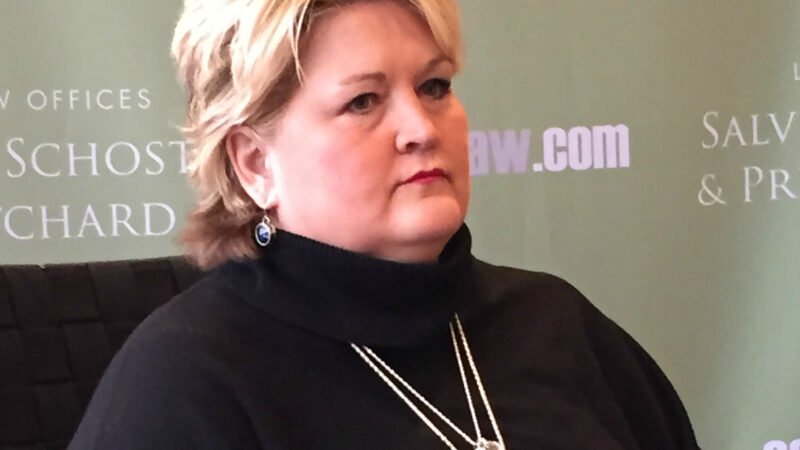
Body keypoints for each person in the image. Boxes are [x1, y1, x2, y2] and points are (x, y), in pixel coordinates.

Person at [68, 0, 701, 449]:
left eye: (435, 86)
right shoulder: (183, 383)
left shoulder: (556, 322)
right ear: (256, 163)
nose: (421, 128)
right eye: (363, 101)